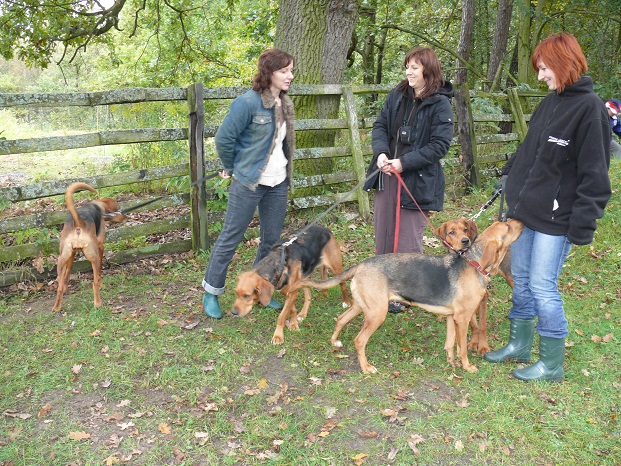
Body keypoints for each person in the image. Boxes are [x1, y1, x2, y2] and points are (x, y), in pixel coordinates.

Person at [484, 33, 612, 381]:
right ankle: (519, 345)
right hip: (527, 213)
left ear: (563, 63)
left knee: (542, 285)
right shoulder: (551, 102)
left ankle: (552, 363)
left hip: (558, 221)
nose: (540, 76)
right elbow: (529, 152)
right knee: (522, 280)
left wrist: (582, 225)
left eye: (543, 69)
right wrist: (509, 180)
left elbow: (596, 177)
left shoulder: (590, 110)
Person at [202, 48, 296, 319]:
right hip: (248, 182)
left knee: (270, 241)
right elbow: (224, 139)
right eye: (284, 71)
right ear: (269, 73)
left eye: (291, 70)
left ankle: (260, 291)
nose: (290, 76)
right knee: (230, 237)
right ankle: (212, 292)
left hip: (278, 183)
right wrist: (232, 167)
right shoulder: (247, 103)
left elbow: (281, 145)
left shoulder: (286, 103)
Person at [363, 47, 454, 313]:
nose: (408, 72)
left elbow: (440, 146)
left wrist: (405, 163)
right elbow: (380, 126)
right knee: (384, 231)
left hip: (417, 180)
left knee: (407, 239)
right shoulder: (397, 95)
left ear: (428, 70)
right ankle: (383, 288)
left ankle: (408, 293)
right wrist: (381, 154)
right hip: (386, 174)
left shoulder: (440, 103)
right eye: (407, 66)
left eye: (414, 67)